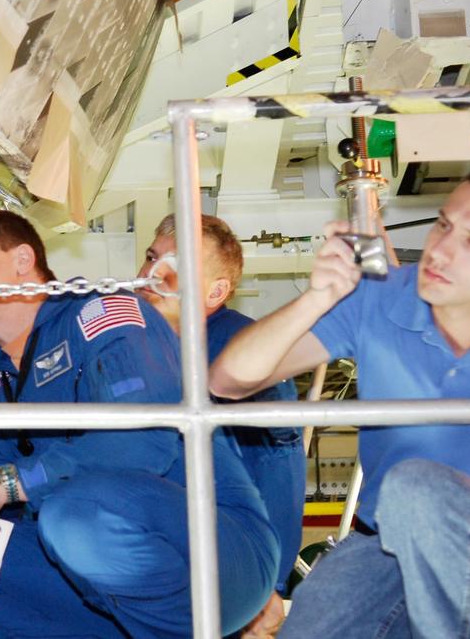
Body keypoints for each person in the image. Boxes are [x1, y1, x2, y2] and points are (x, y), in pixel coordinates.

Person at [0, 208, 278, 638]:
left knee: (73, 512)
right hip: (91, 579)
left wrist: (5, 485)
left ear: (21, 260)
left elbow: (140, 444)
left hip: (214, 550)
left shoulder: (103, 313)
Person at [211, 165, 470, 637]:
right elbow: (229, 380)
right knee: (314, 620)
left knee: (415, 488)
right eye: (443, 225)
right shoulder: (383, 298)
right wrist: (317, 298)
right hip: (386, 542)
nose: (440, 250)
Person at [139, 214, 304, 636]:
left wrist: (265, 581)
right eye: (151, 256)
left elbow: (276, 465)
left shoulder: (238, 350)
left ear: (216, 292)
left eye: (177, 264)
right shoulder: (146, 346)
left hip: (226, 569)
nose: (152, 273)